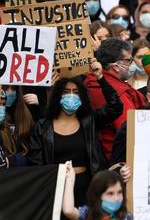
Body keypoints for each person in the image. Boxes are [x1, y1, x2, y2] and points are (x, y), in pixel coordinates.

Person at [29, 59, 122, 206]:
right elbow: (36, 164)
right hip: (55, 189)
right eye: (66, 92)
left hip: (87, 188)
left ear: (82, 96)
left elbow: (116, 107)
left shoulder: (89, 120)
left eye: (76, 92)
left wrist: (100, 77)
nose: (71, 96)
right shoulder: (42, 126)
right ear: (57, 96)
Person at [85, 38, 146, 160]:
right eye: (129, 60)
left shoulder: (92, 81)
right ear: (116, 66)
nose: (132, 64)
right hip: (121, 158)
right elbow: (130, 130)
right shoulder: (117, 92)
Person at [62, 162, 132, 220]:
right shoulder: (88, 213)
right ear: (98, 195)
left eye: (119, 192)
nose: (116, 198)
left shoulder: (126, 217)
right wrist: (70, 179)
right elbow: (69, 211)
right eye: (110, 193)